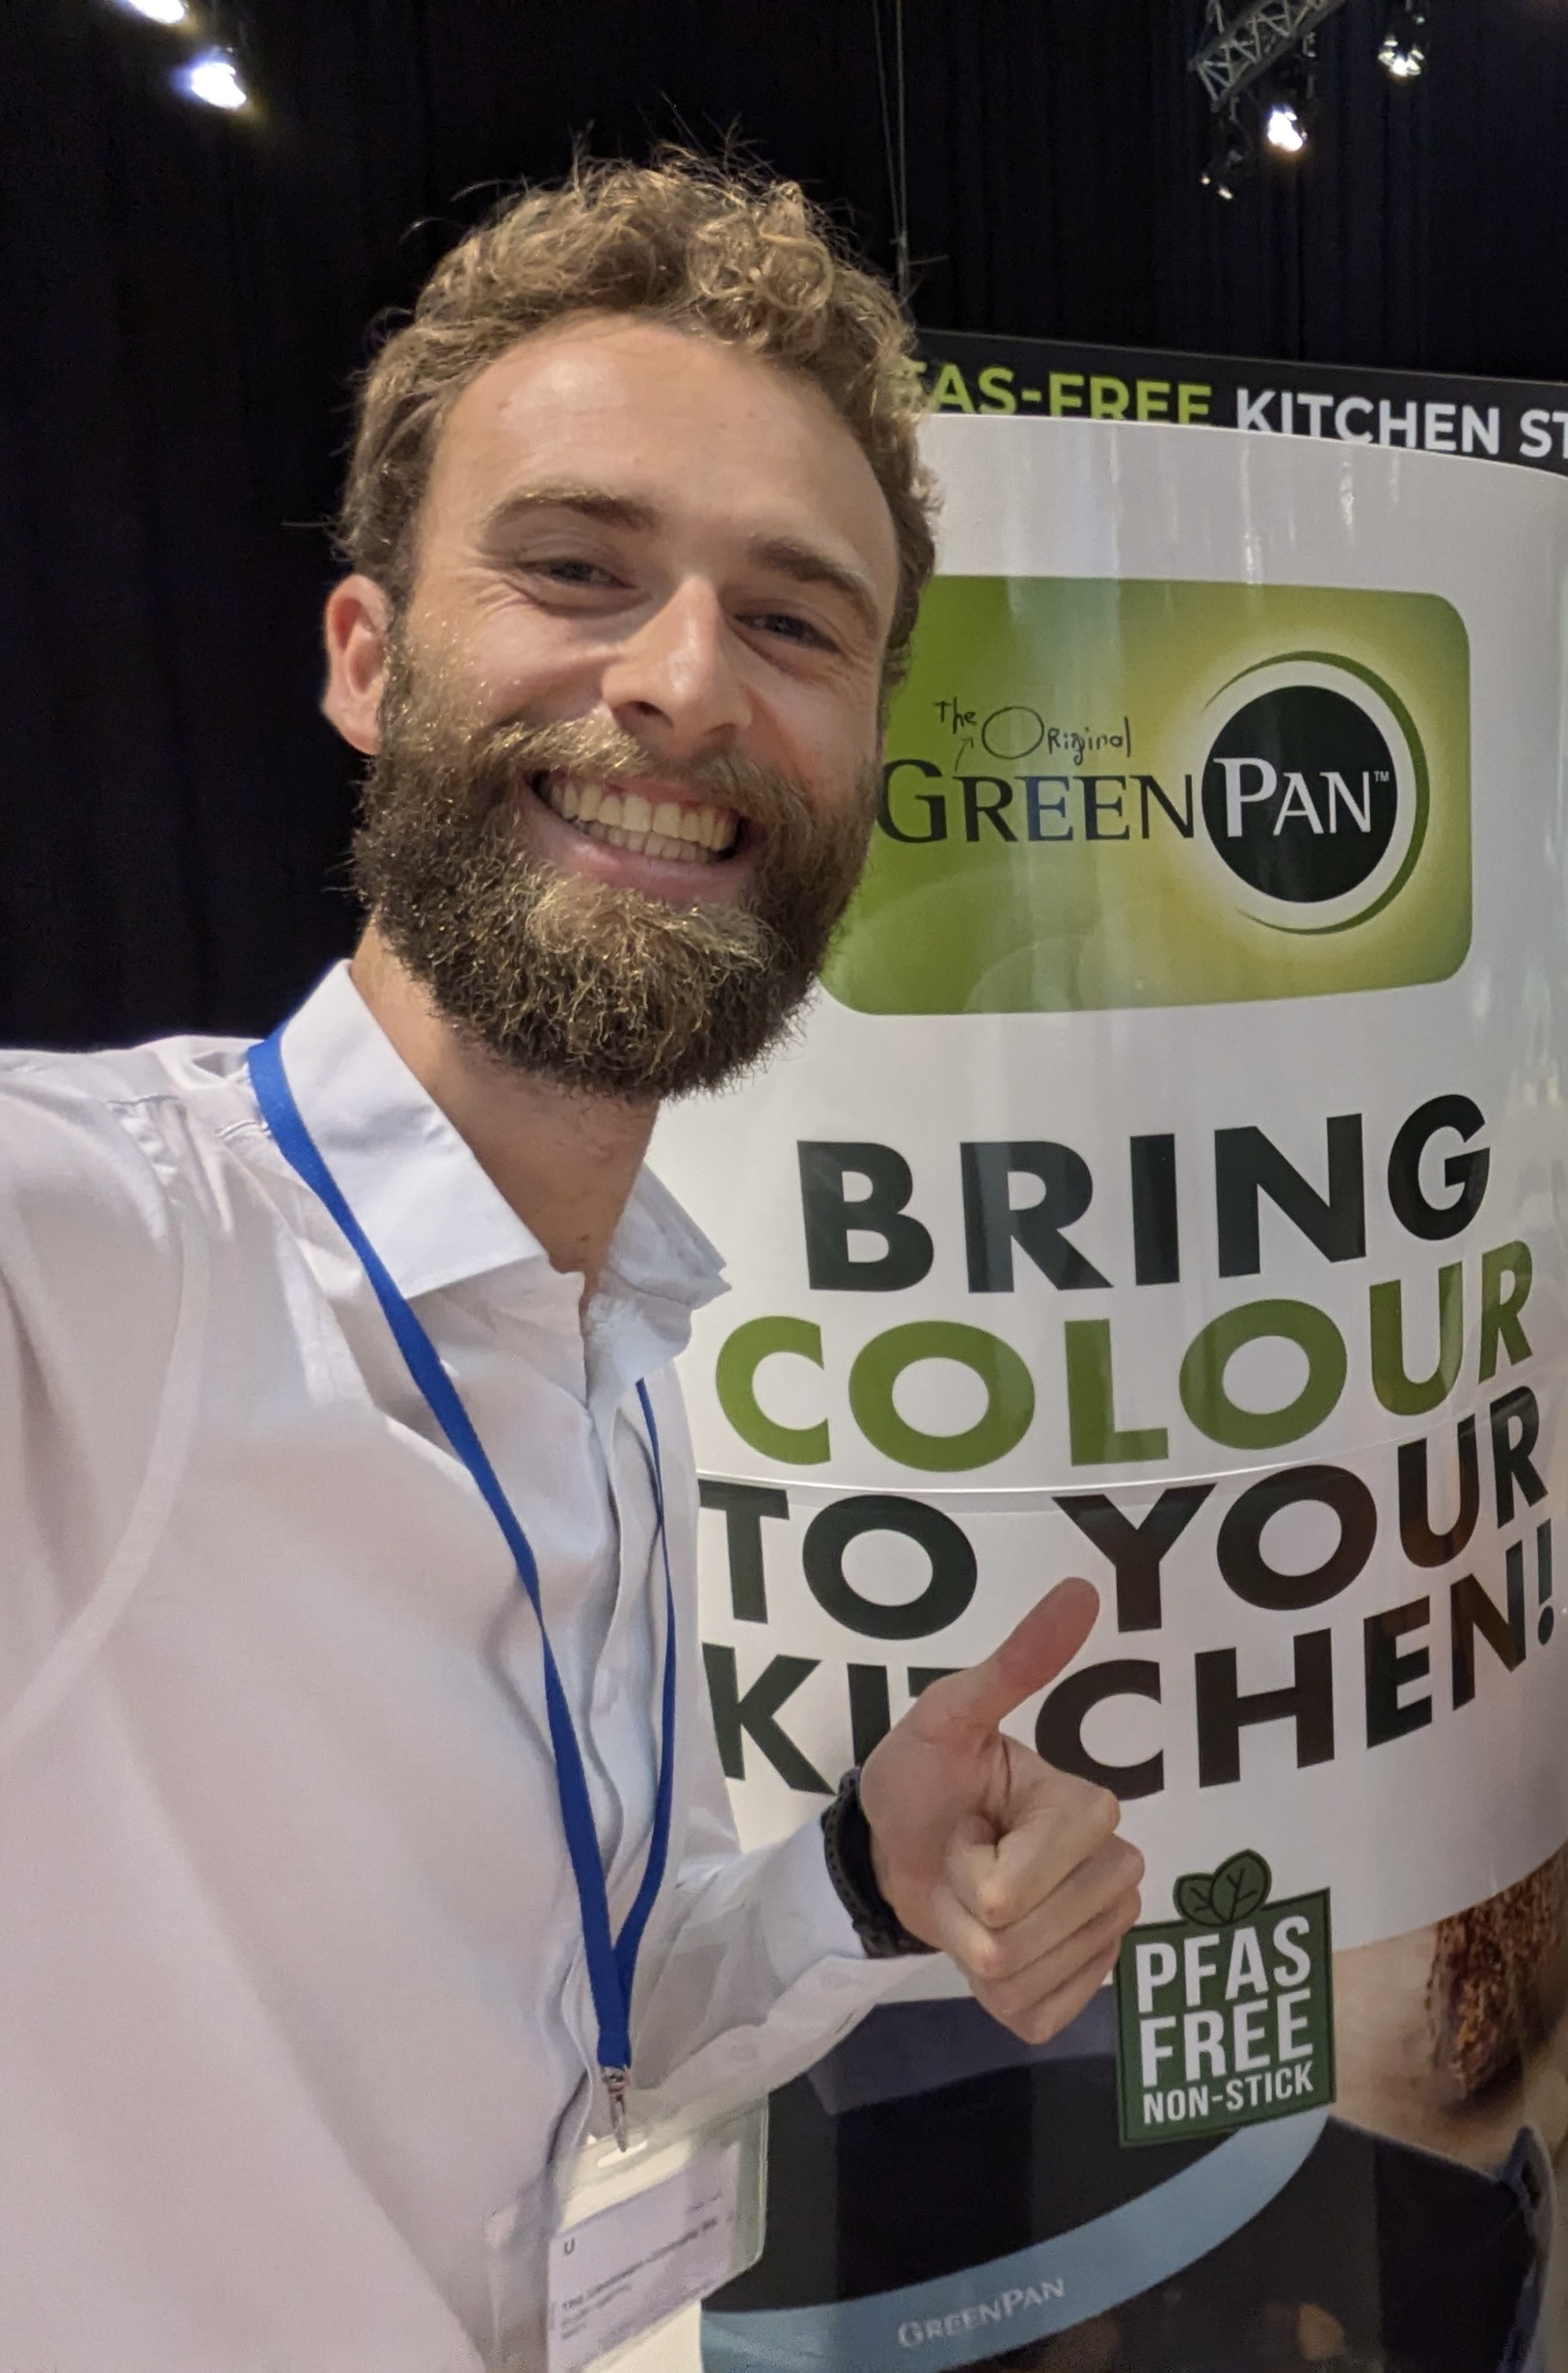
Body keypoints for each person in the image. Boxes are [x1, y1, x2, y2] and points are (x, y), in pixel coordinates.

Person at [0, 156, 1143, 2372]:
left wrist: (855, 1870)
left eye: (794, 623)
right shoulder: (110, 1268)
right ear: (366, 658)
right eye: (576, 570)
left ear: (866, 755)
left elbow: (592, 2021)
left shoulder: (623, 1341)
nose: (685, 685)